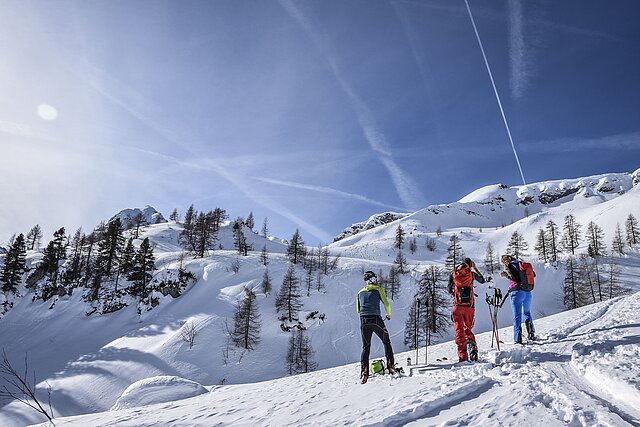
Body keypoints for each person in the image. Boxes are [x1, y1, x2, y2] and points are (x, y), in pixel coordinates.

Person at [356, 271, 395, 384]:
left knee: (366, 347)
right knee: (386, 341)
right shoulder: (378, 289)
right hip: (376, 320)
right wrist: (388, 315)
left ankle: (364, 371)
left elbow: (358, 310)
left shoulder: (359, 292)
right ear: (372, 279)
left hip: (363, 321)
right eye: (374, 278)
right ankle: (390, 366)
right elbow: (386, 304)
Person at [448, 258, 485, 362]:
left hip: (457, 306)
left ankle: (462, 356)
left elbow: (448, 289)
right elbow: (482, 280)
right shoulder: (471, 274)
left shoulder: (454, 274)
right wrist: (475, 268)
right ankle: (473, 348)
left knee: (459, 331)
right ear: (469, 265)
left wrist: (455, 294)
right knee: (467, 329)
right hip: (469, 306)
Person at [500, 255, 536, 343]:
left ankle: (518, 338)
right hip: (527, 292)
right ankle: (531, 333)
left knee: (517, 316)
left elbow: (516, 279)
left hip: (517, 293)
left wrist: (506, 275)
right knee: (527, 312)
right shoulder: (521, 265)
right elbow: (533, 274)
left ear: (505, 262)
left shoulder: (511, 266)